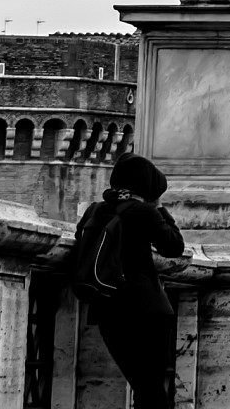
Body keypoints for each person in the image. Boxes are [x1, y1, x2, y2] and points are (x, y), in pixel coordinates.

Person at [67, 153, 188, 409]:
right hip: (148, 312)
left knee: (141, 384)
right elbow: (174, 247)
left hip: (108, 308)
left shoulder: (95, 210)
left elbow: (81, 240)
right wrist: (160, 209)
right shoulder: (144, 211)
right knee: (152, 389)